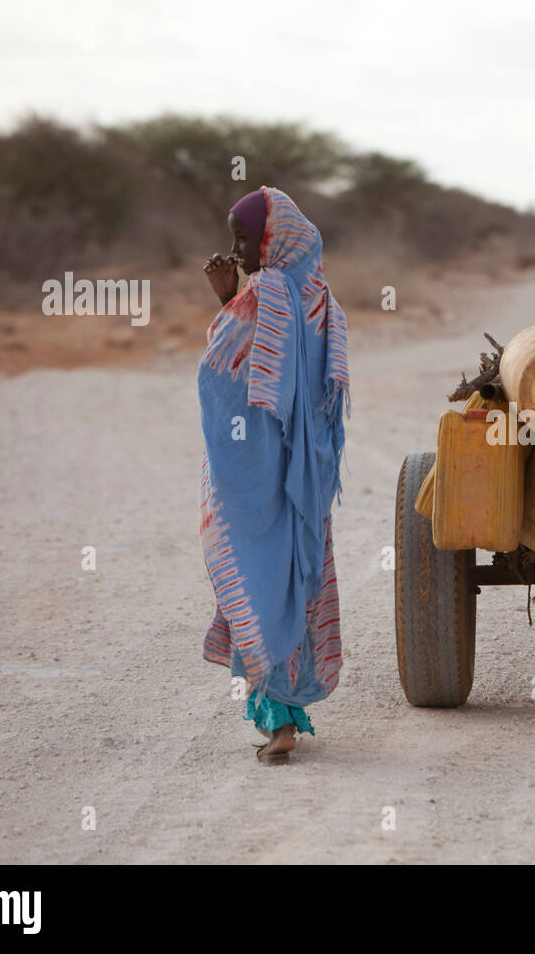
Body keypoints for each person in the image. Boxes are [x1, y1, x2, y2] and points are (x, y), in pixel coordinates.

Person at [198, 186, 350, 760]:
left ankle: (279, 720)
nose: (237, 251)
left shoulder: (264, 294)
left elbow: (221, 370)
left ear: (274, 239)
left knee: (258, 580)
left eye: (245, 239)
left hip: (259, 475)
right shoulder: (321, 298)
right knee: (292, 583)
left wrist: (226, 300)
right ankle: (286, 710)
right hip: (305, 484)